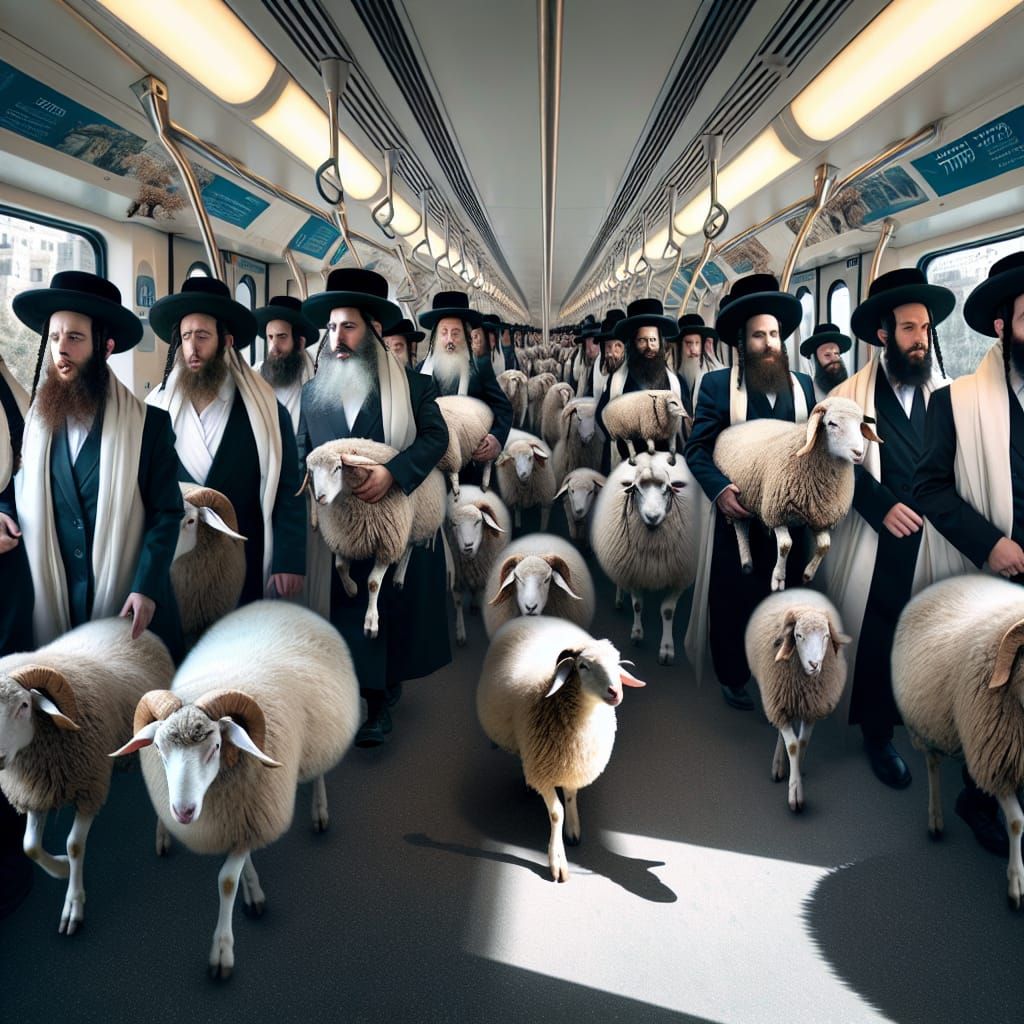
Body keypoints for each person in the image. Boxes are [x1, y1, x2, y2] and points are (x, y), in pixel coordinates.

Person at [299, 269, 450, 747]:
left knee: (387, 613)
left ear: (374, 332)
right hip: (338, 525)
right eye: (331, 328)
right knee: (350, 611)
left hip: (391, 518)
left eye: (349, 327)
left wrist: (395, 473)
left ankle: (380, 701)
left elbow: (435, 438)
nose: (337, 339)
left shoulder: (413, 388)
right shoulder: (313, 393)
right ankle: (365, 694)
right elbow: (303, 447)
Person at [824, 269, 959, 788]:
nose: (920, 339)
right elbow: (833, 464)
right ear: (884, 335)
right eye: (908, 329)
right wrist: (879, 505)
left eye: (925, 328)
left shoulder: (947, 395)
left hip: (938, 534)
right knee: (879, 630)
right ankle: (878, 734)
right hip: (881, 537)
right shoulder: (850, 395)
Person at [6, 270, 183, 657]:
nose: (61, 350)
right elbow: (10, 485)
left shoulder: (149, 426)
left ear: (105, 348)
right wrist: (2, 511)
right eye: (54, 338)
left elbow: (167, 513)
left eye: (74, 338)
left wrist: (146, 586)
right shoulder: (33, 423)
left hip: (130, 600)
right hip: (48, 597)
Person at [914, 250, 1024, 852]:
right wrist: (992, 546)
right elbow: (929, 488)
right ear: (1003, 324)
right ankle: (978, 794)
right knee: (996, 690)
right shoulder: (953, 402)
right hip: (998, 571)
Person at [683, 273, 815, 709]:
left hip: (792, 522)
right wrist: (720, 490)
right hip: (738, 516)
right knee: (734, 602)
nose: (769, 343)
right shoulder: (718, 386)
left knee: (788, 600)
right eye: (759, 335)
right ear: (742, 341)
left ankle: (782, 670)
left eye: (775, 334)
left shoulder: (804, 387)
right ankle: (733, 674)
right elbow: (698, 449)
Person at [147, 277, 305, 607]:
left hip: (243, 554)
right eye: (186, 337)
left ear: (227, 342)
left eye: (202, 336)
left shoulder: (266, 411)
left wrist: (288, 560)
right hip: (176, 555)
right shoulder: (156, 407)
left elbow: (287, 488)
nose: (192, 348)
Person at [417, 291, 513, 469]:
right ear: (435, 337)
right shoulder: (420, 372)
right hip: (430, 463)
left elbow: (504, 409)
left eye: (456, 333)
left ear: (466, 336)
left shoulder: (479, 368)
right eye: (444, 333)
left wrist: (496, 438)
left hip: (471, 460)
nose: (449, 340)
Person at [596, 298, 681, 469]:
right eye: (642, 341)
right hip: (629, 466)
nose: (649, 347)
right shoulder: (617, 382)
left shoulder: (674, 382)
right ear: (633, 343)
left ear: (660, 343)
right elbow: (602, 417)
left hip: (664, 467)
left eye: (653, 340)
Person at [254, 294, 318, 433]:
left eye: (282, 337)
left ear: (300, 343)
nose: (274, 348)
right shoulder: (254, 375)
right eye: (270, 338)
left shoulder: (318, 378)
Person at [675, 313, 720, 417]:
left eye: (697, 343)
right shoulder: (672, 374)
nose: (693, 350)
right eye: (688, 343)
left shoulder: (715, 374)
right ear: (680, 345)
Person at [801, 322, 851, 401]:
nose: (834, 359)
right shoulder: (807, 393)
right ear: (816, 359)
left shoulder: (851, 390)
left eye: (837, 354)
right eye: (827, 355)